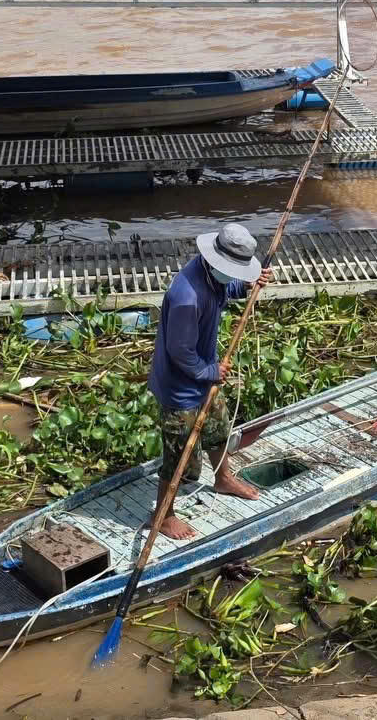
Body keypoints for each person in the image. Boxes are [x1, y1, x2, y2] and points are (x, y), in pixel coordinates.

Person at [147, 223, 273, 540]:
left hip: (203, 372)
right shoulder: (186, 296)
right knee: (180, 454)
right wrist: (210, 372)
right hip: (181, 384)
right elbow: (180, 352)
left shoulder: (209, 274)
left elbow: (223, 290)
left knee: (218, 427)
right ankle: (164, 515)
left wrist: (246, 286)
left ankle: (223, 478)